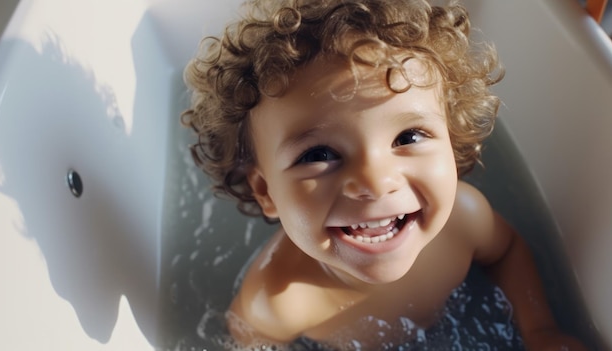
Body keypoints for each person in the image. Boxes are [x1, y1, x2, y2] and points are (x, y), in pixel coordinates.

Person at [181, 0, 586, 349]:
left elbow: (507, 250)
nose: (375, 181)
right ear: (266, 190)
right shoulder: (277, 300)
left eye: (408, 135)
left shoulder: (466, 219)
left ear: (452, 137)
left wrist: (539, 329)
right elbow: (247, 341)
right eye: (319, 154)